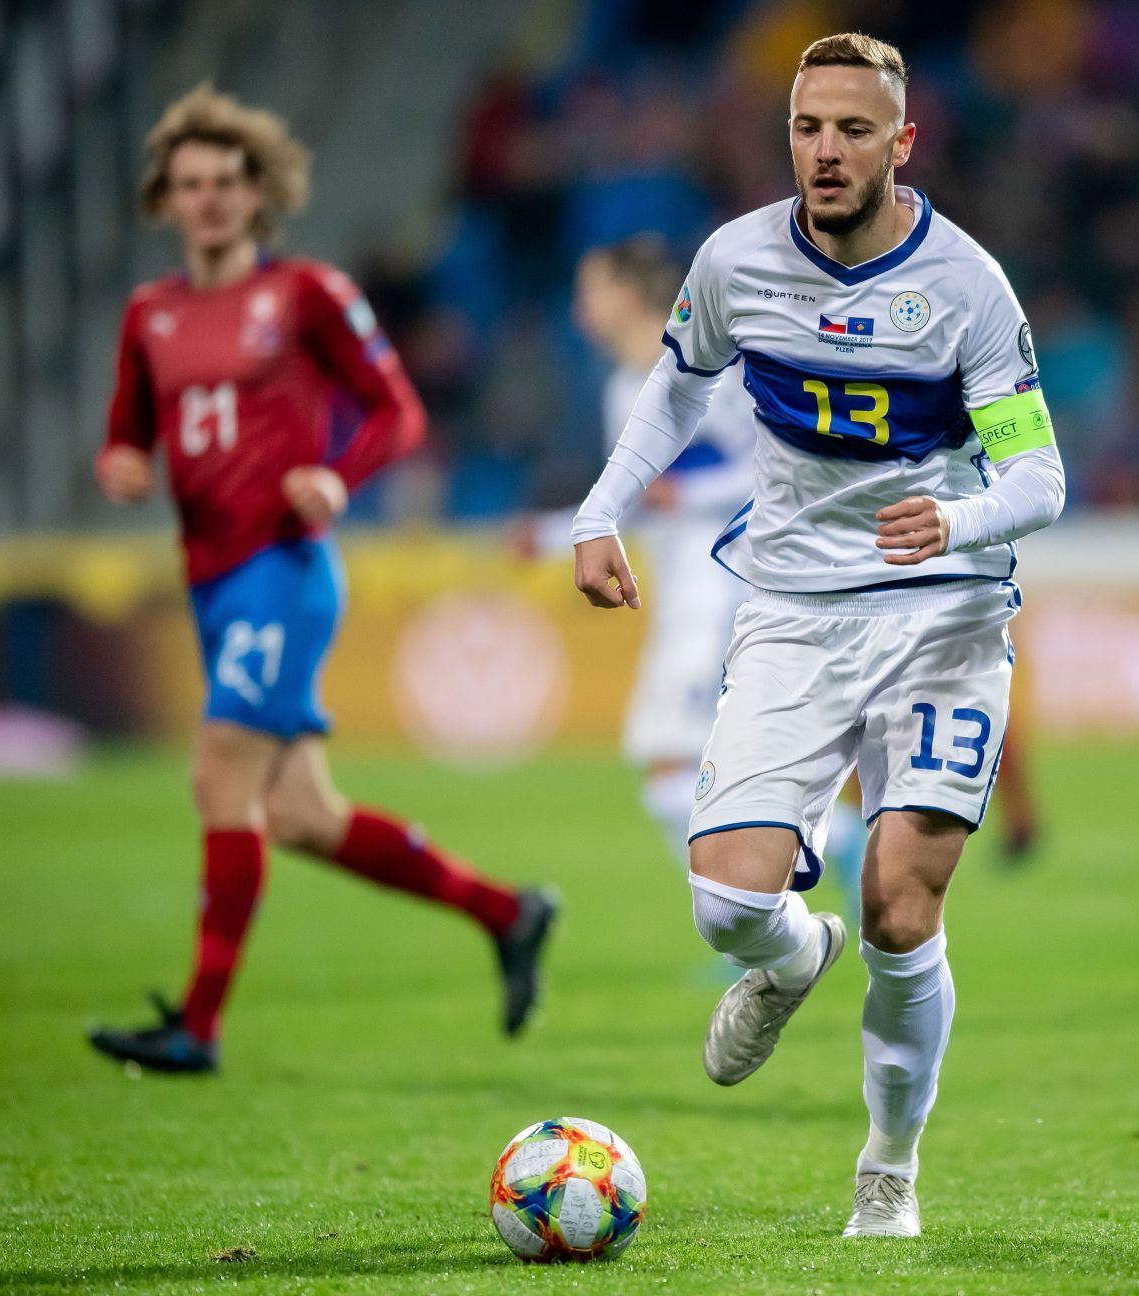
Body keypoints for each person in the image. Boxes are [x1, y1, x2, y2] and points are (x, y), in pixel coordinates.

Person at [568, 34, 1064, 1237]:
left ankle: (889, 1164)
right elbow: (681, 383)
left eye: (853, 130)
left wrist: (954, 519)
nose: (827, 151)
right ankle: (794, 957)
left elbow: (1040, 476)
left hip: (942, 614)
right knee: (723, 905)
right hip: (790, 612)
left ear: (903, 144)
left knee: (905, 906)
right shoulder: (735, 260)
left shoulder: (967, 287)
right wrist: (601, 509)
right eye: (808, 129)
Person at [87, 85, 554, 1075]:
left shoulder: (305, 295)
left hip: (285, 571)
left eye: (228, 181)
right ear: (165, 199)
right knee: (300, 815)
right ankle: (507, 913)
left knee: (219, 772)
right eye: (191, 183)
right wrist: (120, 467)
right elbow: (126, 435)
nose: (209, 199)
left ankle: (198, 1028)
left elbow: (397, 412)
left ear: (261, 195)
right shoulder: (150, 316)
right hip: (211, 580)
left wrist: (336, 480)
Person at [551, 237, 872, 895]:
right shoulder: (622, 386)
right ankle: (814, 863)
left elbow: (776, 467)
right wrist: (557, 533)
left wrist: (689, 494)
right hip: (682, 597)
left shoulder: (711, 370)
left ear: (630, 294)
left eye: (592, 289)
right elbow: (638, 500)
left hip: (727, 591)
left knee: (678, 767)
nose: (581, 307)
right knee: (685, 769)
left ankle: (783, 897)